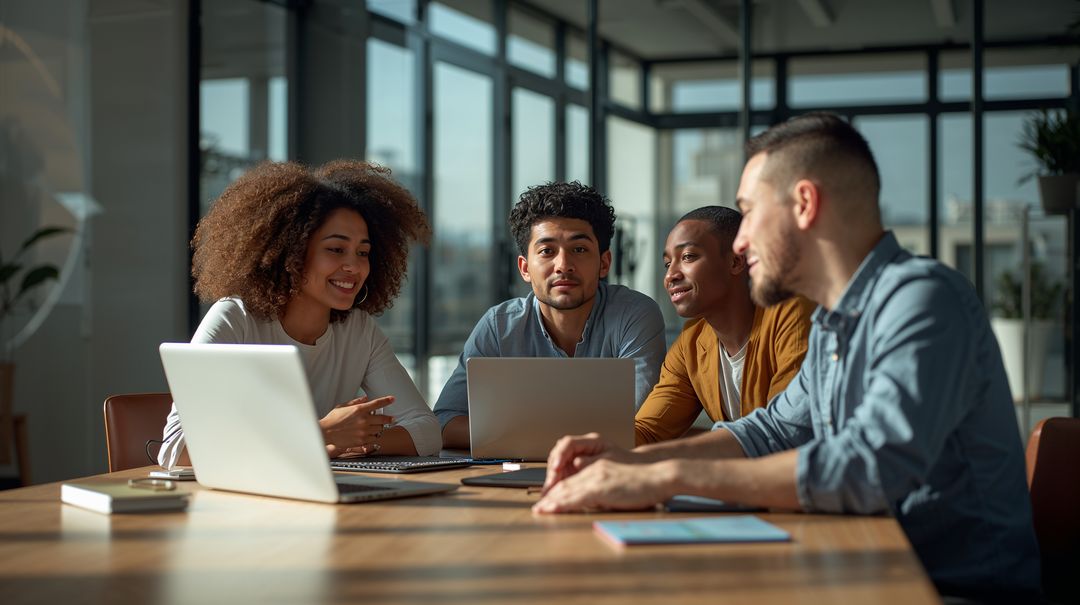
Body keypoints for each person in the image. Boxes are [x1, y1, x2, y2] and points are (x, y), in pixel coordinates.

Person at [534, 113, 1041, 600]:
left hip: (948, 588)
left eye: (750, 212)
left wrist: (663, 476)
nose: (743, 237)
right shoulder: (831, 321)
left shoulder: (923, 299)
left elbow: (870, 467)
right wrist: (629, 460)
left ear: (804, 204)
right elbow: (770, 431)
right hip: (864, 568)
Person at [159, 160, 441, 468]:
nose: (355, 266)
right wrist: (322, 434)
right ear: (289, 251)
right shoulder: (234, 319)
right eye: (336, 249)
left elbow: (427, 431)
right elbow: (176, 450)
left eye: (363, 252)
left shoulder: (358, 331)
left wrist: (355, 441)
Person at [433, 181, 666, 449]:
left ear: (604, 263)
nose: (563, 265)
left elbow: (636, 423)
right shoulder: (498, 326)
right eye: (547, 251)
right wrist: (552, 437)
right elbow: (445, 422)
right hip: (508, 474)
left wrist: (519, 434)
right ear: (524, 268)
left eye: (579, 250)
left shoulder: (634, 315)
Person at [635, 206, 814, 445]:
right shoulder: (690, 345)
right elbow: (648, 432)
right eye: (668, 264)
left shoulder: (790, 314)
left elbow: (783, 431)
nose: (671, 275)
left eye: (688, 256)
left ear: (736, 261)